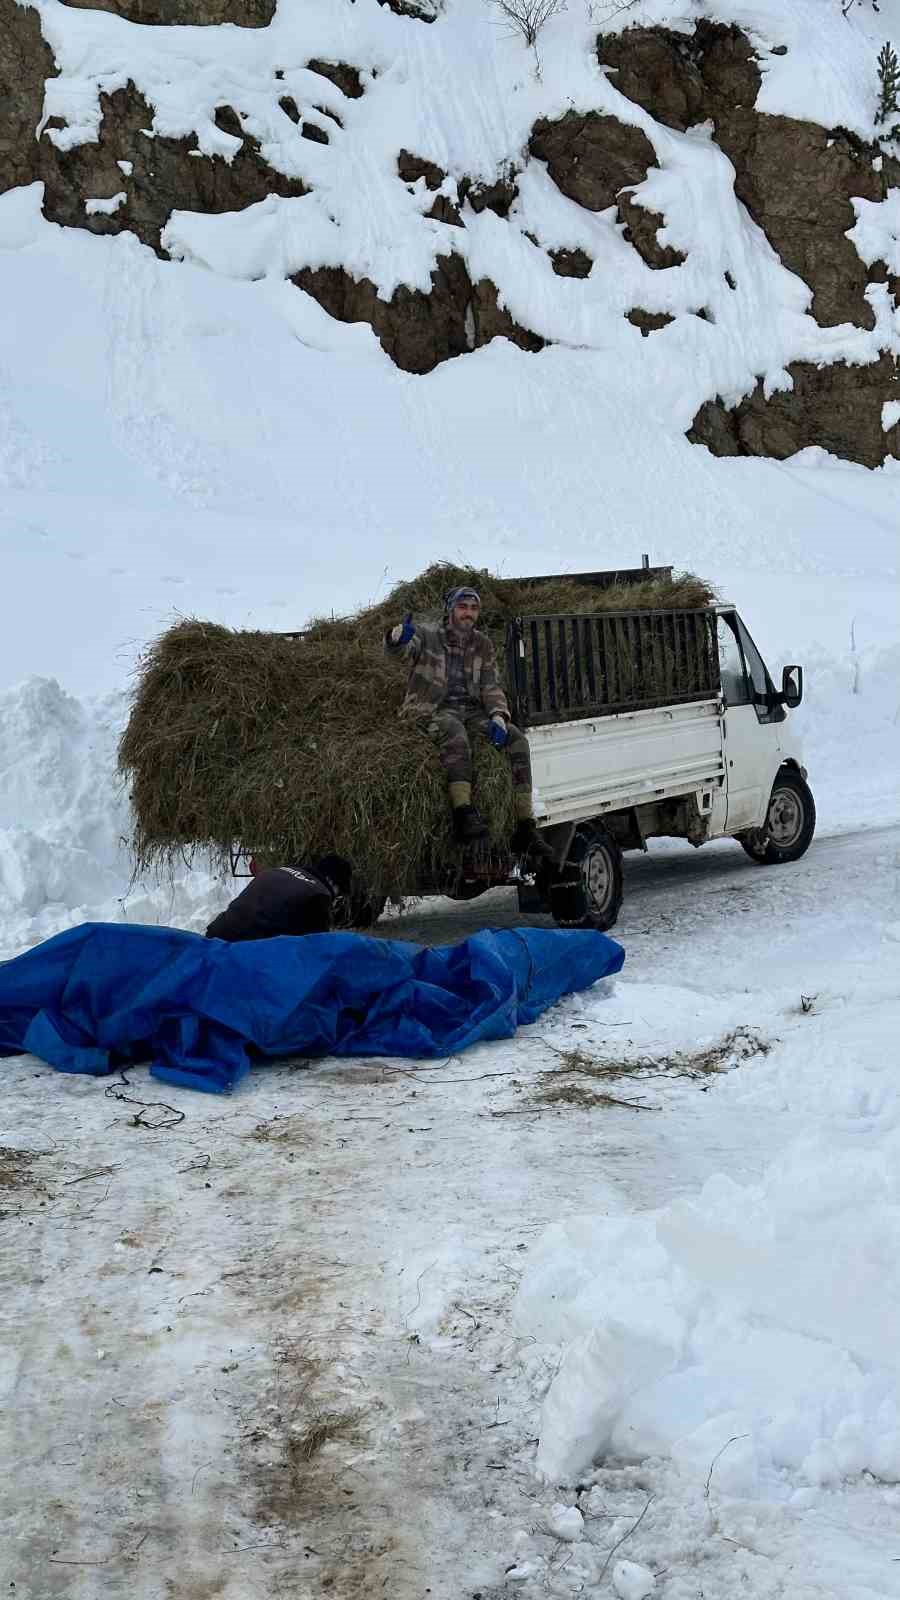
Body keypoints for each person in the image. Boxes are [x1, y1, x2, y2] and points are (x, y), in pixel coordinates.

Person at [385, 584, 555, 858]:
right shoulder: (428, 637)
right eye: (463, 607)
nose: (469, 613)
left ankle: (525, 825)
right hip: (430, 710)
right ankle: (464, 812)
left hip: (471, 712)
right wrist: (396, 639)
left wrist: (499, 716)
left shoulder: (483, 644)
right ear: (451, 610)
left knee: (516, 738)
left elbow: (490, 686)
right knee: (454, 732)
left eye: (474, 608)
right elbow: (402, 652)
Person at [205, 855, 353, 942]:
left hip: (215, 936)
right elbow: (316, 949)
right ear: (333, 882)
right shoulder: (319, 895)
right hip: (243, 953)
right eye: (338, 894)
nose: (335, 900)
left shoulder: (279, 870)